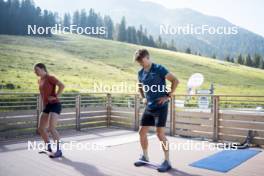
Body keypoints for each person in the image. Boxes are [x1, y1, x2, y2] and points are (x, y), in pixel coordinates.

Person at [133, 49, 179, 172]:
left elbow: (175, 80)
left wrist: (167, 96)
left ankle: (167, 161)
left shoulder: (159, 68)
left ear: (148, 58)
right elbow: (139, 86)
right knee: (141, 132)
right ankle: (145, 156)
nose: (141, 64)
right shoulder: (140, 72)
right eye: (139, 63)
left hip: (161, 106)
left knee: (160, 134)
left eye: (142, 62)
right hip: (149, 106)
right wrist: (143, 97)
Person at [34, 63, 65, 158]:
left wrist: (55, 96)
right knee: (41, 128)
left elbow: (62, 86)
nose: (35, 72)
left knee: (51, 128)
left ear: (43, 69)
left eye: (37, 70)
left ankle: (59, 151)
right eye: (35, 71)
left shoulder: (50, 77)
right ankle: (48, 147)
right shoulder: (40, 80)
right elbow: (43, 94)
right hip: (47, 106)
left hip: (55, 105)